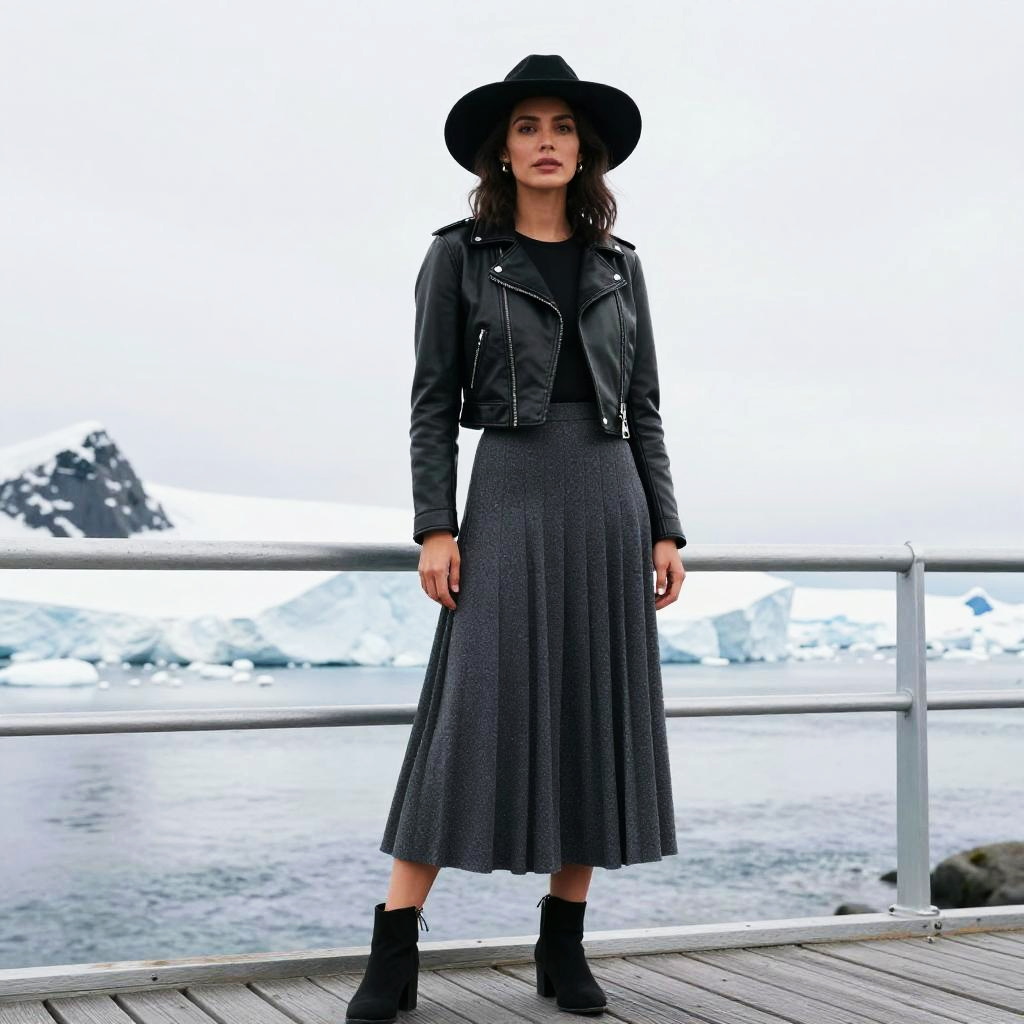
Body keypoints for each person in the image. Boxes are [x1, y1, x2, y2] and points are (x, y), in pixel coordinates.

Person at [346, 54, 687, 1023]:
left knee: (592, 708)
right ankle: (393, 946)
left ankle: (562, 940)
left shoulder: (624, 267)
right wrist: (434, 526)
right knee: (470, 715)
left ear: (587, 151)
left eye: (563, 127)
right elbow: (429, 403)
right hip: (508, 493)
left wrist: (665, 525)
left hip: (608, 497)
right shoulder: (458, 256)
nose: (546, 142)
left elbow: (647, 405)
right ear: (503, 146)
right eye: (529, 126)